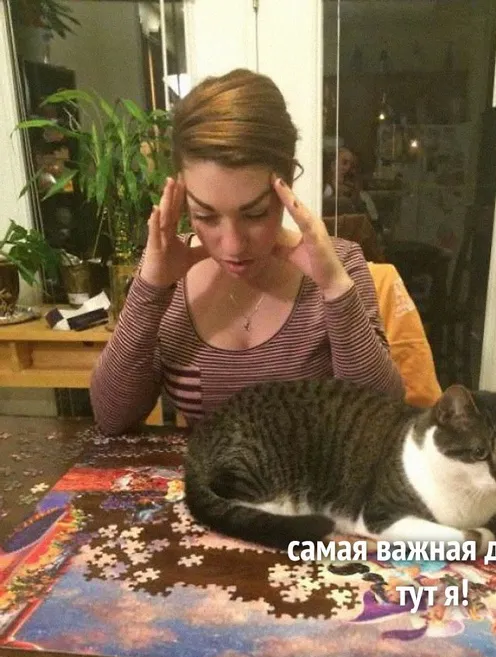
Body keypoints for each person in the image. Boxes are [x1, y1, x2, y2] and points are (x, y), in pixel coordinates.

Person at [90, 69, 404, 435]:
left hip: (313, 472)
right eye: (205, 216)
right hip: (204, 471)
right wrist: (150, 289)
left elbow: (382, 422)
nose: (233, 245)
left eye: (255, 214)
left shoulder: (341, 263)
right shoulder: (166, 272)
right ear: (181, 192)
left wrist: (335, 287)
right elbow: (111, 418)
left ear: (287, 184)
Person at [323, 146, 381, 230]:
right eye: (344, 163)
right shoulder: (325, 190)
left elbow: (372, 219)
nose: (348, 168)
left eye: (352, 165)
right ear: (333, 165)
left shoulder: (359, 194)